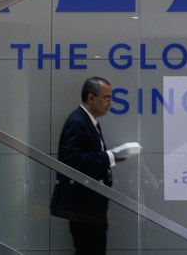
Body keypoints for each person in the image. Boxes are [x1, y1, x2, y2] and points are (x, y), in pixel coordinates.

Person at [50, 76, 126, 255]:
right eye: (106, 98)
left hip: (91, 206)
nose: (111, 103)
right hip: (83, 207)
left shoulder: (89, 122)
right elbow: (72, 161)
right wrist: (108, 156)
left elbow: (89, 157)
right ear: (91, 98)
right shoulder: (77, 122)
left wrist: (112, 158)